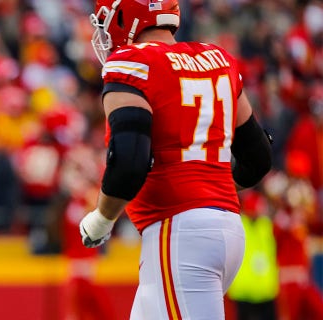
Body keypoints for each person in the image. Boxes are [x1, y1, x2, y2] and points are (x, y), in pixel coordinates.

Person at [78, 1, 273, 319]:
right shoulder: (218, 58)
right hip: (224, 228)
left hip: (179, 234)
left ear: (124, 15)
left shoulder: (131, 62)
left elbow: (128, 163)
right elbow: (257, 158)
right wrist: (206, 191)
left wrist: (102, 219)